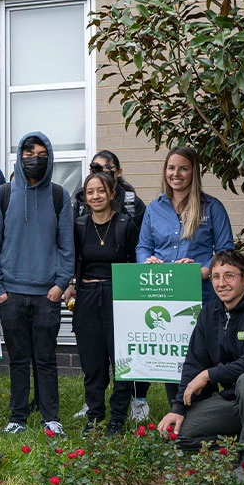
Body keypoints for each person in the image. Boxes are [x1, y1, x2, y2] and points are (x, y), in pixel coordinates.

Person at [157, 250, 244, 480]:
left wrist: (209, 375)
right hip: (234, 402)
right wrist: (178, 409)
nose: (221, 283)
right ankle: (238, 449)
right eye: (215, 277)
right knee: (181, 437)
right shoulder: (210, 313)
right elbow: (194, 362)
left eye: (229, 276)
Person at [0, 131, 74, 437]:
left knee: (47, 359)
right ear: (19, 158)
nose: (34, 159)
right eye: (28, 154)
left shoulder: (60, 196)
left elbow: (67, 247)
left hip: (47, 295)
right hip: (10, 294)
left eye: (40, 154)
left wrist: (61, 284)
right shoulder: (3, 194)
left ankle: (51, 418)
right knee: (19, 359)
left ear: (49, 157)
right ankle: (18, 417)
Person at [137, 146, 234, 405]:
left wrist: (203, 270)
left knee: (205, 354)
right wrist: (147, 261)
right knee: (173, 356)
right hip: (166, 295)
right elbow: (143, 246)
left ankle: (213, 411)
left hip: (202, 296)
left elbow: (226, 251)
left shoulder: (212, 208)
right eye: (171, 168)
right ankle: (177, 408)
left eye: (183, 168)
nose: (176, 174)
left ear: (194, 172)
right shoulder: (153, 209)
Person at [68, 151, 149, 422]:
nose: (95, 196)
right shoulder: (78, 225)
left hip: (118, 297)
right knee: (92, 362)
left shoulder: (126, 224)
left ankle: (117, 417)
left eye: (101, 191)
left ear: (112, 192)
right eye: (89, 192)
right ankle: (94, 415)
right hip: (87, 297)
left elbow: (136, 260)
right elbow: (73, 261)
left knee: (122, 360)